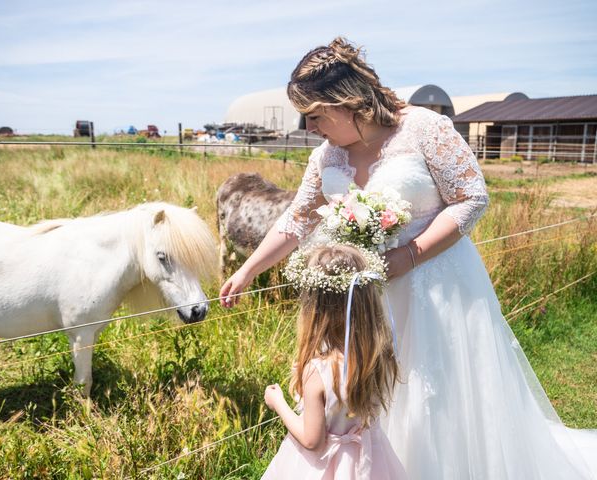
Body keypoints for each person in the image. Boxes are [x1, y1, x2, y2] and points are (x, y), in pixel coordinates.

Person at [221, 37, 597, 479]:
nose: (310, 127)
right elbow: (298, 219)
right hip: (364, 303)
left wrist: (409, 256)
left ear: (348, 103)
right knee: (373, 394)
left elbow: (471, 199)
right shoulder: (327, 155)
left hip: (434, 288)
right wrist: (248, 270)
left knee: (431, 396)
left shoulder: (425, 129)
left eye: (316, 114)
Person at [262, 244, 407, 480]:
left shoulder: (317, 371)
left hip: (321, 468)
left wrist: (278, 403)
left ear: (315, 307)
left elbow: (313, 441)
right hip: (369, 462)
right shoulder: (378, 355)